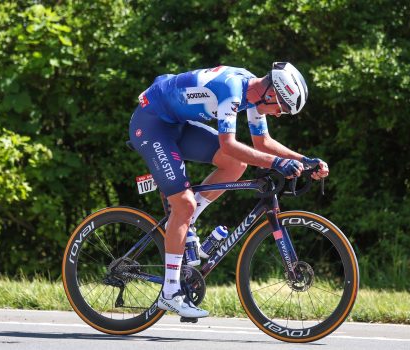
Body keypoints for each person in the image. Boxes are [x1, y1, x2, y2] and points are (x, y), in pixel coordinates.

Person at [128, 62, 329, 318]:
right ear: (271, 92)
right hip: (152, 124)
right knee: (185, 204)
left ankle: (184, 223)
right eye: (281, 107)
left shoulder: (254, 94)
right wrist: (278, 163)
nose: (279, 114)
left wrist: (304, 161)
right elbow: (230, 143)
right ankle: (170, 293)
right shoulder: (232, 89)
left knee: (236, 164)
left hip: (177, 124)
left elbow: (262, 142)